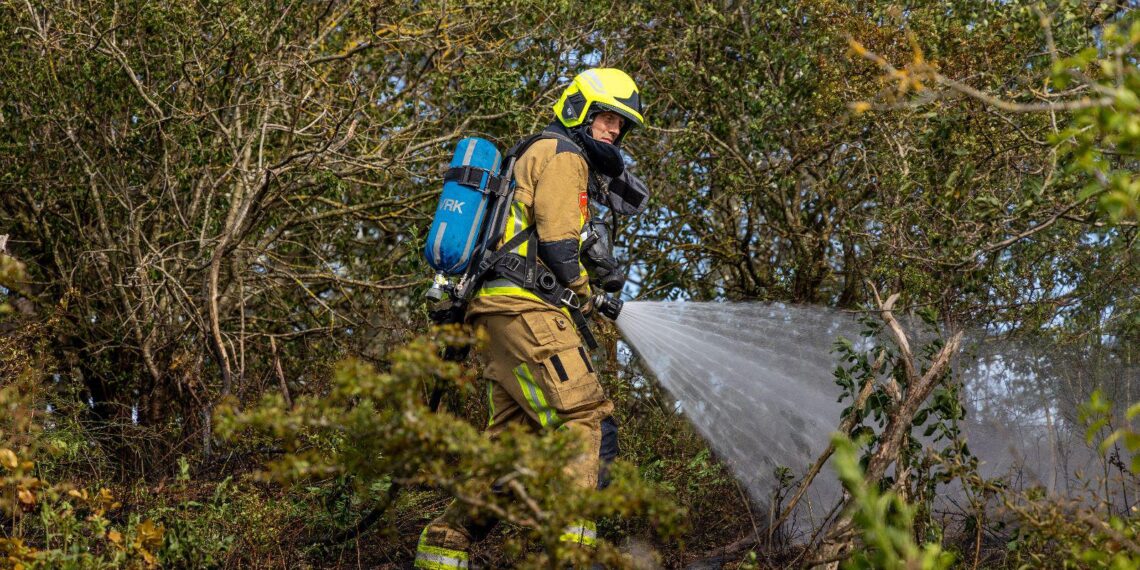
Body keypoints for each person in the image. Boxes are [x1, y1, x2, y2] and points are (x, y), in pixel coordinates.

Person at [415, 68, 645, 569]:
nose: (613, 131)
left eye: (620, 126)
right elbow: (562, 246)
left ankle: (443, 546)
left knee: (511, 452)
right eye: (607, 118)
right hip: (527, 308)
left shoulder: (532, 151)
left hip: (498, 314)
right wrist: (588, 296)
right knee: (586, 420)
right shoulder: (564, 156)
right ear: (580, 110)